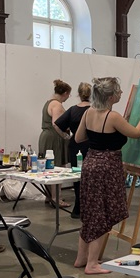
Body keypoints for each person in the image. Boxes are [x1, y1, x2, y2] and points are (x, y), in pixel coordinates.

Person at [74, 77, 140, 274]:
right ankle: (92, 264)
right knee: (102, 213)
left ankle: (81, 258)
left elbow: (78, 138)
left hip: (90, 163)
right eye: (118, 91)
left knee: (91, 212)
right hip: (106, 167)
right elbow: (136, 133)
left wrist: (98, 138)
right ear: (110, 97)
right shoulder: (113, 117)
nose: (121, 94)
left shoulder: (89, 112)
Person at [54, 82, 91, 219]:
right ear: (90, 95)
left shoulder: (72, 110)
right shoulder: (93, 110)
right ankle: (89, 208)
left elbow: (57, 124)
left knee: (77, 177)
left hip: (75, 146)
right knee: (90, 177)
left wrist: (67, 136)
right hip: (91, 145)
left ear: (78, 94)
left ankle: (78, 208)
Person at [39, 79, 71, 167]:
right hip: (53, 138)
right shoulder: (56, 105)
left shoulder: (48, 103)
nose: (68, 97)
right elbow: (56, 124)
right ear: (65, 93)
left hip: (47, 136)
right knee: (54, 166)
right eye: (69, 95)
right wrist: (65, 136)